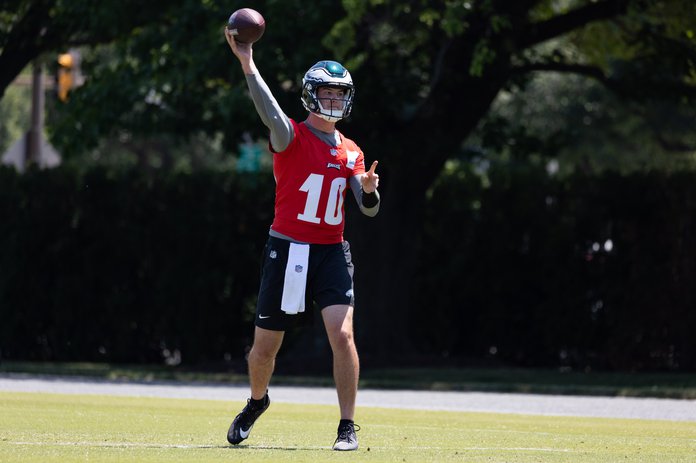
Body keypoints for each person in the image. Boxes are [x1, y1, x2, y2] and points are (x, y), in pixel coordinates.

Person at [223, 27, 380, 452]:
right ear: (311, 96)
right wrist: (247, 61)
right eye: (326, 93)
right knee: (263, 351)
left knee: (342, 334)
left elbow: (367, 209)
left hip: (331, 251)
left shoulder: (352, 151)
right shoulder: (290, 135)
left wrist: (367, 189)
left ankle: (347, 426)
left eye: (339, 94)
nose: (334, 101)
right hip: (288, 249)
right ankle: (257, 401)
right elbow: (268, 108)